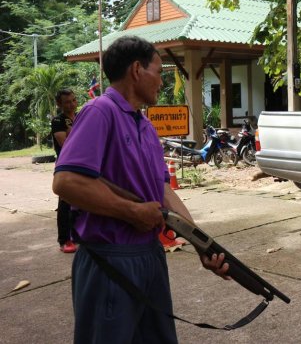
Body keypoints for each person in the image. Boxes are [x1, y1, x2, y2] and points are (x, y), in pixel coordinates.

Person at [52, 36, 229, 344]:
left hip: (150, 257)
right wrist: (132, 211)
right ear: (136, 70)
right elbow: (66, 182)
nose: (162, 81)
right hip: (110, 260)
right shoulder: (99, 112)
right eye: (159, 72)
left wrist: (202, 243)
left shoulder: (146, 126)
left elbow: (164, 193)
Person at [51, 88, 78, 253]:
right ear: (59, 104)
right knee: (66, 202)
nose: (72, 104)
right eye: (67, 102)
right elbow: (65, 143)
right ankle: (65, 240)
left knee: (84, 201)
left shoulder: (80, 116)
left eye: (73, 100)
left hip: (84, 164)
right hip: (66, 165)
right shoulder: (58, 121)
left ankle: (78, 235)